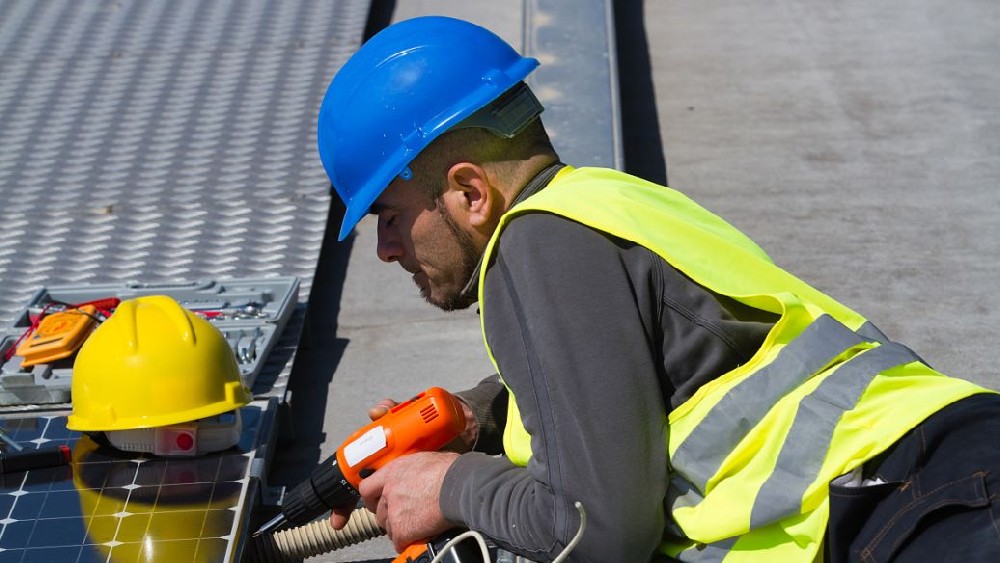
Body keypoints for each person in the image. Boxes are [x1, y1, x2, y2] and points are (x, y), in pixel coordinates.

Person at [316, 16, 1000, 563]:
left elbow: (598, 531)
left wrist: (449, 485)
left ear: (469, 191)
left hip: (910, 504)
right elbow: (661, 364)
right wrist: (477, 416)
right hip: (934, 472)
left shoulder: (536, 246)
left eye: (392, 217)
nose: (385, 250)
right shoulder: (604, 207)